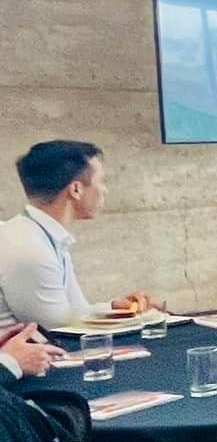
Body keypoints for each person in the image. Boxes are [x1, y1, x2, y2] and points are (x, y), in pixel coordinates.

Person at [0, 140, 152, 328]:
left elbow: (75, 311)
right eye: (101, 182)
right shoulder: (28, 247)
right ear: (76, 190)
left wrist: (114, 309)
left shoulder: (42, 234)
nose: (105, 190)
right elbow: (61, 330)